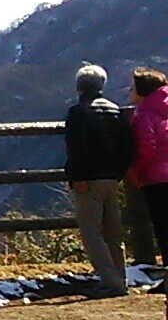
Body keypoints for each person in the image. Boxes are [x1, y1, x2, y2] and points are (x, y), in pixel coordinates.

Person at [66, 65, 132, 296]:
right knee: (113, 232)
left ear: (79, 87)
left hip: (90, 179)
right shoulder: (115, 111)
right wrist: (119, 173)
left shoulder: (78, 112)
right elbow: (126, 147)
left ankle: (109, 280)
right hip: (112, 178)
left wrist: (78, 177)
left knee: (91, 232)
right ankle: (120, 278)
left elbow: (77, 149)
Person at [128, 67, 168, 293]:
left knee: (163, 228)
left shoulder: (144, 114)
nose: (130, 91)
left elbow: (146, 147)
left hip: (157, 178)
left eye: (132, 87)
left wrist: (138, 172)